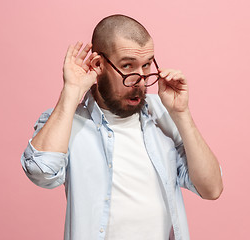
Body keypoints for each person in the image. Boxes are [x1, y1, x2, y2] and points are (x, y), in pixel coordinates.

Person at [21, 14, 223, 240]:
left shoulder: (164, 115)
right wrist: (71, 93)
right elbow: (41, 172)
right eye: (128, 66)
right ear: (98, 64)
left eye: (146, 65)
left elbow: (211, 188)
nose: (141, 80)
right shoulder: (65, 120)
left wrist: (181, 114)